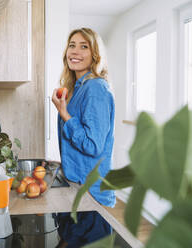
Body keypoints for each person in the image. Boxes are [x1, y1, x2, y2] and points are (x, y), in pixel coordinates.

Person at [51, 27, 116, 247]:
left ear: (95, 55)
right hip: (77, 189)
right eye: (72, 45)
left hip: (91, 196)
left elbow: (93, 145)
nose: (75, 51)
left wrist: (65, 115)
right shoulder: (77, 88)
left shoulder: (96, 88)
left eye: (84, 46)